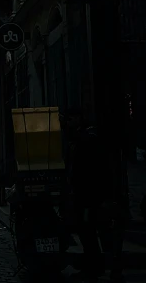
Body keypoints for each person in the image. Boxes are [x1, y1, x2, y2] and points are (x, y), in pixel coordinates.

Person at [61, 108, 106, 281]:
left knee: (88, 231)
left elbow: (91, 169)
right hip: (80, 192)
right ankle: (91, 263)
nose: (68, 123)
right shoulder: (76, 139)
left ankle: (93, 266)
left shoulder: (88, 138)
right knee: (84, 230)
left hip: (88, 193)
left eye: (70, 119)